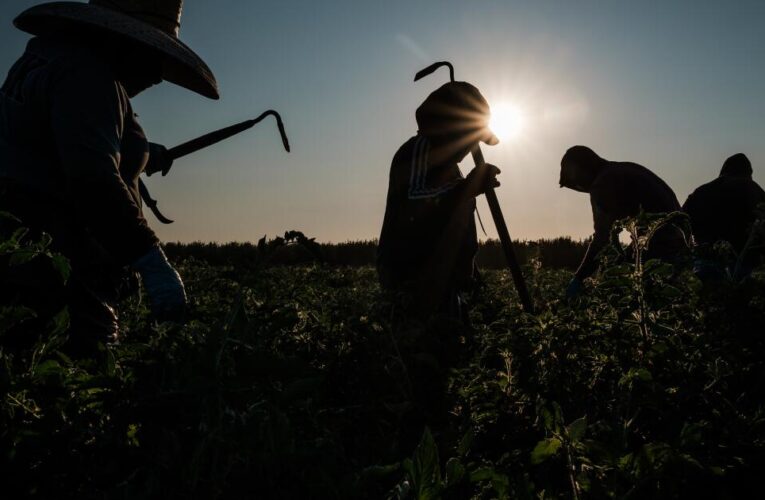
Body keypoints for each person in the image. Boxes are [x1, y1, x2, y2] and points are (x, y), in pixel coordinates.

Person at [0, 0, 219, 351]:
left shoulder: (48, 58)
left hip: (18, 252)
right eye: (154, 54)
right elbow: (93, 179)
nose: (158, 75)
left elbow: (59, 140)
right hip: (53, 269)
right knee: (79, 378)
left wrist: (144, 153)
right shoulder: (88, 76)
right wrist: (151, 261)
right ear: (121, 39)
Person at [377, 81, 501, 319]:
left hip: (444, 282)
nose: (471, 147)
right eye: (469, 137)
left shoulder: (452, 170)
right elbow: (415, 206)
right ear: (449, 129)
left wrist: (474, 280)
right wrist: (469, 187)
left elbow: (456, 230)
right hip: (411, 277)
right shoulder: (418, 150)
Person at [560, 146, 685, 298]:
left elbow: (602, 238)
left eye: (575, 180)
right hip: (679, 242)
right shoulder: (623, 169)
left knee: (622, 293)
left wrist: (579, 278)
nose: (579, 186)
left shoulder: (603, 183)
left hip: (661, 246)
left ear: (580, 169)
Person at [683, 153, 765, 280]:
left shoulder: (701, 192)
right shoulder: (755, 191)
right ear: (749, 173)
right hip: (747, 268)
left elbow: (681, 222)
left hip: (705, 265)